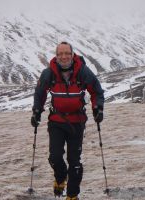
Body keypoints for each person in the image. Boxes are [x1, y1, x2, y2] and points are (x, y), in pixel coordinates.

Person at [31, 41, 104, 200]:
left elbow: (96, 91)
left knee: (74, 161)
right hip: (56, 121)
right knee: (55, 157)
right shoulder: (48, 73)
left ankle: (72, 195)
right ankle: (60, 177)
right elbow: (40, 93)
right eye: (60, 54)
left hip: (77, 122)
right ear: (56, 56)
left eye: (67, 53)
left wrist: (98, 108)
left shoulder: (83, 72)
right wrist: (37, 111)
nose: (64, 57)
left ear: (72, 55)